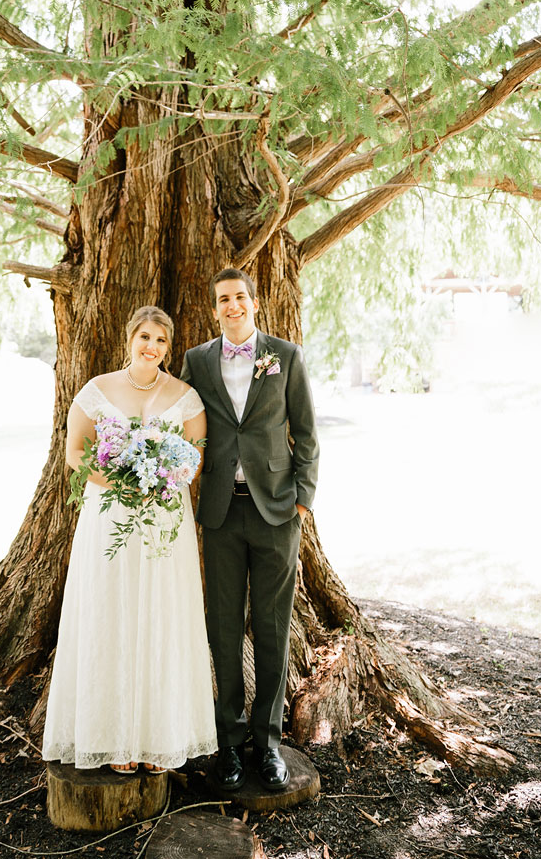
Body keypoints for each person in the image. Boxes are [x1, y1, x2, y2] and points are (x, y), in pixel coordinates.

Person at [42, 305, 218, 774]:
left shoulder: (185, 397)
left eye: (161, 341)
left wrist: (167, 474)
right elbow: (74, 451)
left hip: (163, 521)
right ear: (129, 337)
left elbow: (196, 455)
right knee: (112, 614)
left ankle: (160, 738)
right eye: (144, 336)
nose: (152, 347)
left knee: (162, 616)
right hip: (110, 516)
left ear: (169, 346)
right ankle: (114, 740)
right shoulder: (97, 390)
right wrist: (117, 479)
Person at [181, 268, 319, 793]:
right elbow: (181, 423)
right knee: (223, 628)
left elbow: (306, 433)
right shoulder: (196, 361)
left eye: (240, 297)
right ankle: (230, 744)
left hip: (276, 514)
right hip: (220, 513)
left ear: (254, 303)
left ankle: (268, 744)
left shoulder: (286, 356)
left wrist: (302, 501)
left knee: (272, 627)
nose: (232, 305)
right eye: (223, 299)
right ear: (214, 308)